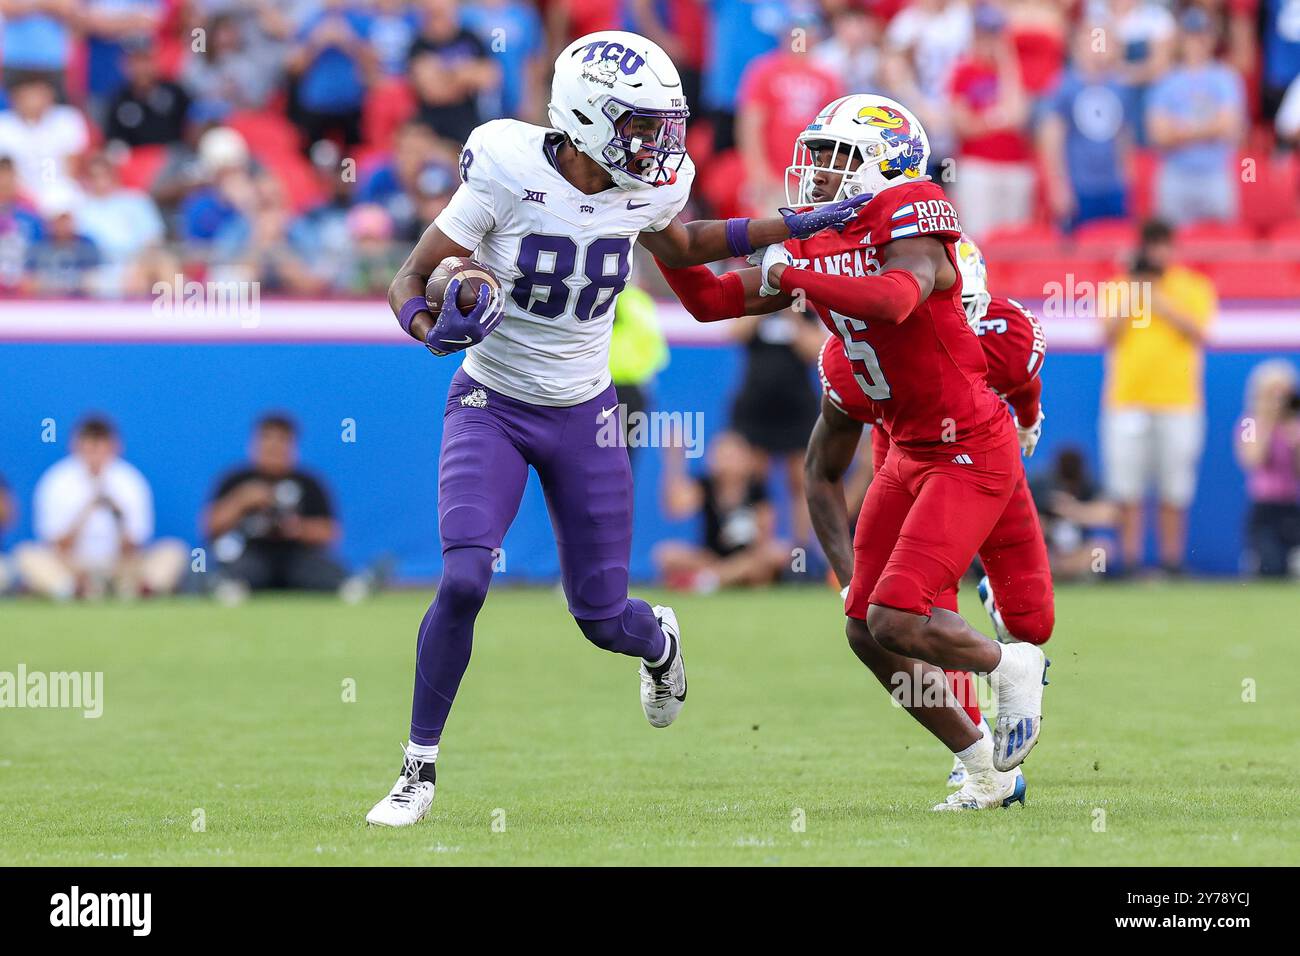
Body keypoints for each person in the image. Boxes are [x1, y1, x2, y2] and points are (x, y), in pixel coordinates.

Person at [367, 30, 870, 828]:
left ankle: (659, 644)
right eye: (638, 125)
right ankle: (417, 769)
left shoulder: (648, 189)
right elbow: (409, 276)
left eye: (660, 125)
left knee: (602, 617)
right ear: (585, 116)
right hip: (490, 402)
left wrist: (799, 233)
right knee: (464, 578)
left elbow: (697, 258)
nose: (656, 144)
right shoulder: (507, 165)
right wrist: (430, 327)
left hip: (587, 415)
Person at [657, 93, 1050, 812]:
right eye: (819, 157)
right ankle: (985, 769)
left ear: (883, 163)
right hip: (905, 451)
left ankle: (1011, 662)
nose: (819, 174)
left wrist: (794, 278)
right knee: (866, 630)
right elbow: (710, 300)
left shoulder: (918, 211)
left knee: (901, 615)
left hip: (970, 446)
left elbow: (897, 298)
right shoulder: (821, 244)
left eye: (837, 159)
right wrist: (658, 232)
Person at [805, 234, 1054, 792]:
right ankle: (977, 756)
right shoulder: (857, 359)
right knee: (893, 616)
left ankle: (1010, 657)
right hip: (907, 452)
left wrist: (1029, 420)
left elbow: (1023, 381)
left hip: (985, 454)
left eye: (962, 313)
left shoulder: (1004, 336)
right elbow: (820, 470)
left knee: (1032, 623)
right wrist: (854, 585)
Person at [1099, 219, 1215, 575]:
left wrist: (1158, 297)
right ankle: (1130, 562)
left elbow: (1199, 331)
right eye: (1152, 245)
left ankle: (1171, 561)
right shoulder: (1120, 286)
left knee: (1174, 488)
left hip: (1178, 401)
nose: (1158, 253)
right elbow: (1107, 333)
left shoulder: (1193, 285)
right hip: (1128, 400)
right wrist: (1137, 290)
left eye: (1164, 245)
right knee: (1127, 487)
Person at [15, 416, 187, 599]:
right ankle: (73, 591)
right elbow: (56, 545)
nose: (95, 455)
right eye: (89, 448)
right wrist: (86, 511)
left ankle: (138, 590)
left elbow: (134, 547)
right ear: (76, 446)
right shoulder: (56, 481)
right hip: (73, 565)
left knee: (174, 551)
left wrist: (117, 516)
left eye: (101, 447)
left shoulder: (130, 481)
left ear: (115, 447)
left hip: (121, 565)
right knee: (26, 554)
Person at [205, 414, 349, 598]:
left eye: (281, 441)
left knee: (321, 571)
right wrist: (240, 501)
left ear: (293, 447)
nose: (273, 447)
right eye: (266, 439)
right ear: (253, 444)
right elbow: (209, 526)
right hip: (250, 554)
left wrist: (298, 529)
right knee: (237, 572)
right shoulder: (236, 480)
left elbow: (330, 532)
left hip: (297, 556)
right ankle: (227, 587)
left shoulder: (309, 483)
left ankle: (347, 584)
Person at [728, 306, 825, 552]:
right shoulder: (755, 306)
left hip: (796, 408)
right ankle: (758, 550)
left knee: (800, 477)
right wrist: (764, 307)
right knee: (755, 476)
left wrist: (791, 315)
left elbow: (814, 350)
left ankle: (802, 552)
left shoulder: (804, 310)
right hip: (757, 406)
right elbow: (735, 333)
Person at [1146, 8, 1246, 225]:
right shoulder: (1166, 80)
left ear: (1212, 38)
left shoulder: (1226, 77)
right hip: (1176, 174)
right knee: (1169, 248)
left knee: (1223, 245)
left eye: (1202, 34)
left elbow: (1229, 126)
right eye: (1191, 35)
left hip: (1215, 173)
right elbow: (1159, 135)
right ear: (1182, 38)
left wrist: (1181, 130)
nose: (1197, 42)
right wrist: (1209, 129)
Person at [654, 431, 789, 591]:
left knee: (778, 553)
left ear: (747, 460)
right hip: (711, 558)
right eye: (722, 455)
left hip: (746, 558)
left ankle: (709, 580)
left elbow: (765, 535)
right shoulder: (705, 486)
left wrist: (752, 553)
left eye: (733, 456)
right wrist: (675, 460)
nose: (728, 462)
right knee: (666, 554)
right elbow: (674, 507)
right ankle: (722, 579)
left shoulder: (756, 490)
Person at [1235, 360, 1300, 577]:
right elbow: (1251, 460)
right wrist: (1268, 424)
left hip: (1292, 505)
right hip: (1264, 507)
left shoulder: (1296, 425)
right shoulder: (1249, 423)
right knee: (1270, 567)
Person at [1030, 446, 1119, 580]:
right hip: (1050, 551)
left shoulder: (1087, 485)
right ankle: (1051, 573)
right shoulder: (1041, 485)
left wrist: (1072, 510)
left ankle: (1087, 576)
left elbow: (1110, 514)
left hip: (1078, 551)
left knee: (1102, 549)